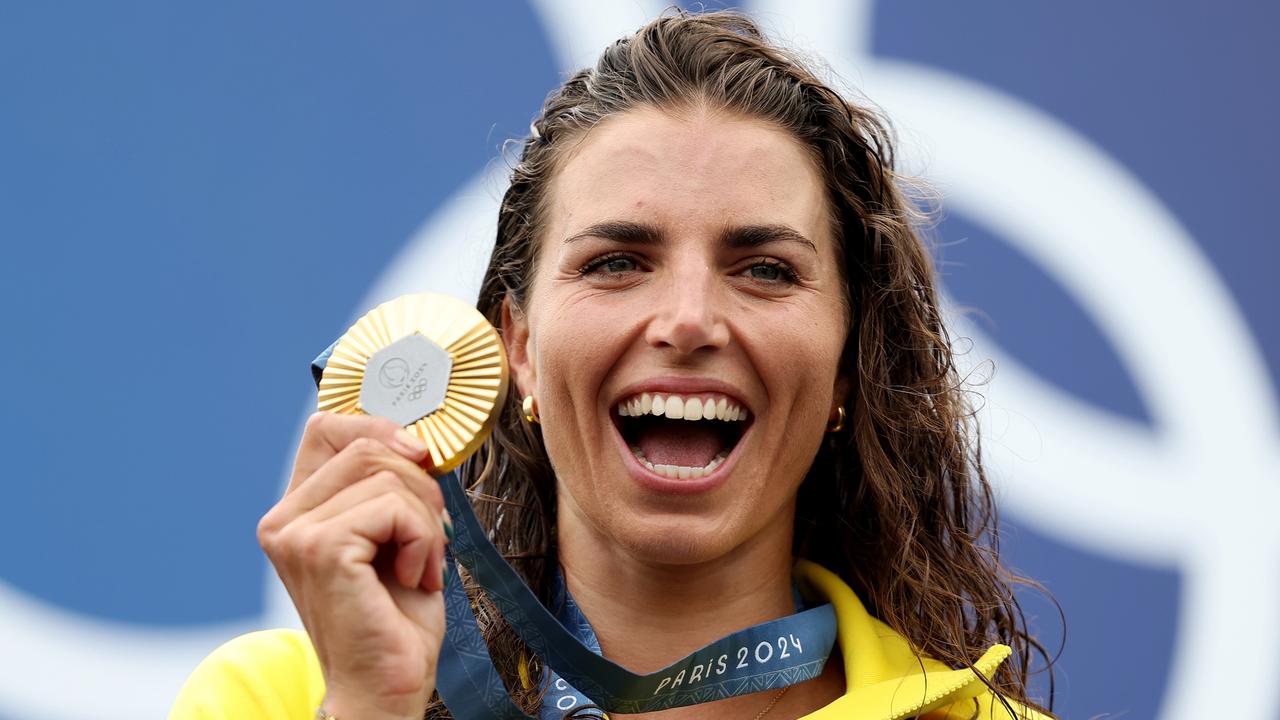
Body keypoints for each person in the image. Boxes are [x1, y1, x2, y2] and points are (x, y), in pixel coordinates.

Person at [172, 10, 1056, 720]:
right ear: (516, 348)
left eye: (764, 269)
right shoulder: (278, 702)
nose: (688, 320)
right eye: (616, 262)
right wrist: (374, 708)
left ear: (847, 368)